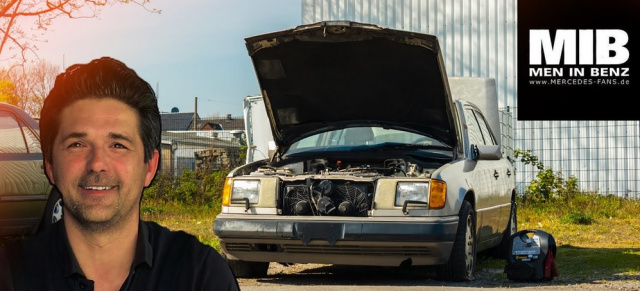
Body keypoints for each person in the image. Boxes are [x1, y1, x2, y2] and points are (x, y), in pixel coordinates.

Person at [0, 57, 240, 291]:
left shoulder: (200, 276)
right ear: (50, 165)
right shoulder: (8, 275)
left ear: (150, 167)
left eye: (118, 145)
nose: (97, 164)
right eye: (77, 145)